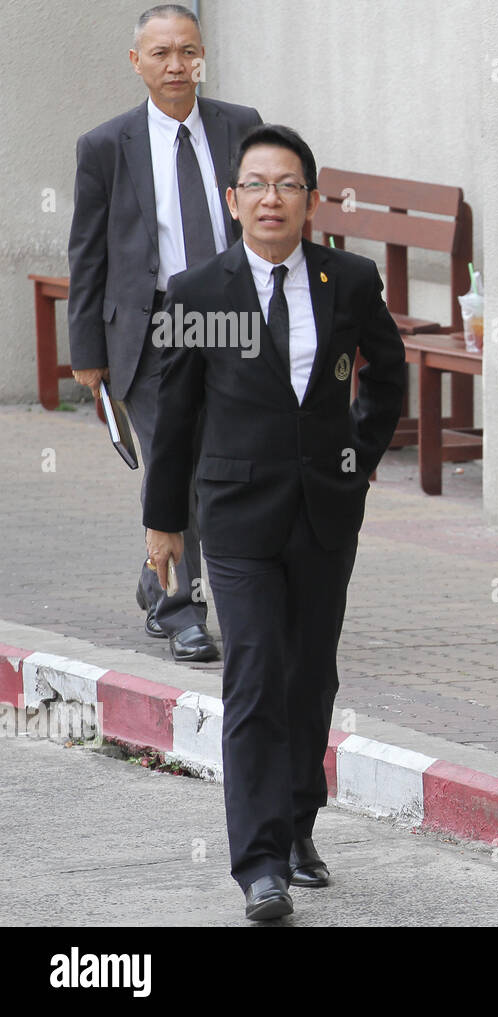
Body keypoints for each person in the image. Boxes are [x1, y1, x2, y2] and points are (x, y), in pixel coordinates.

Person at [142, 124, 406, 920]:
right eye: (255, 184)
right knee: (255, 674)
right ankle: (259, 863)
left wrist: (357, 460)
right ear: (232, 200)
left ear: (310, 200)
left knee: (310, 675)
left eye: (287, 185)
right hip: (237, 516)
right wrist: (164, 523)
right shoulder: (197, 292)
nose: (270, 199)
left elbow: (388, 377)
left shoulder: (348, 280)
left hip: (326, 511)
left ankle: (297, 825)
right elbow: (176, 413)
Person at [68, 3, 262, 663]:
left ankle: (158, 575)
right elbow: (88, 253)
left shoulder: (242, 127)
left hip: (230, 322)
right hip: (152, 328)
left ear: (202, 55)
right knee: (180, 468)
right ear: (137, 63)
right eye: (162, 54)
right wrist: (87, 353)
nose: (177, 65)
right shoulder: (105, 147)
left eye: (188, 51)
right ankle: (182, 607)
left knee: (225, 465)